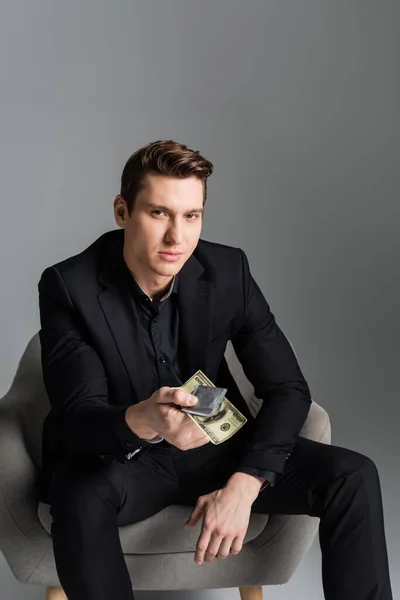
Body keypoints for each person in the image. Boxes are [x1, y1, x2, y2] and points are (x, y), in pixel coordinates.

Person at [38, 140, 393, 600]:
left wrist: (245, 484)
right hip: (123, 459)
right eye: (159, 213)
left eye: (191, 216)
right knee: (78, 495)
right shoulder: (70, 286)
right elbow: (75, 416)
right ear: (122, 211)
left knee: (354, 475)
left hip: (217, 447)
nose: (177, 238)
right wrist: (144, 420)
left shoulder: (228, 270)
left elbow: (287, 388)